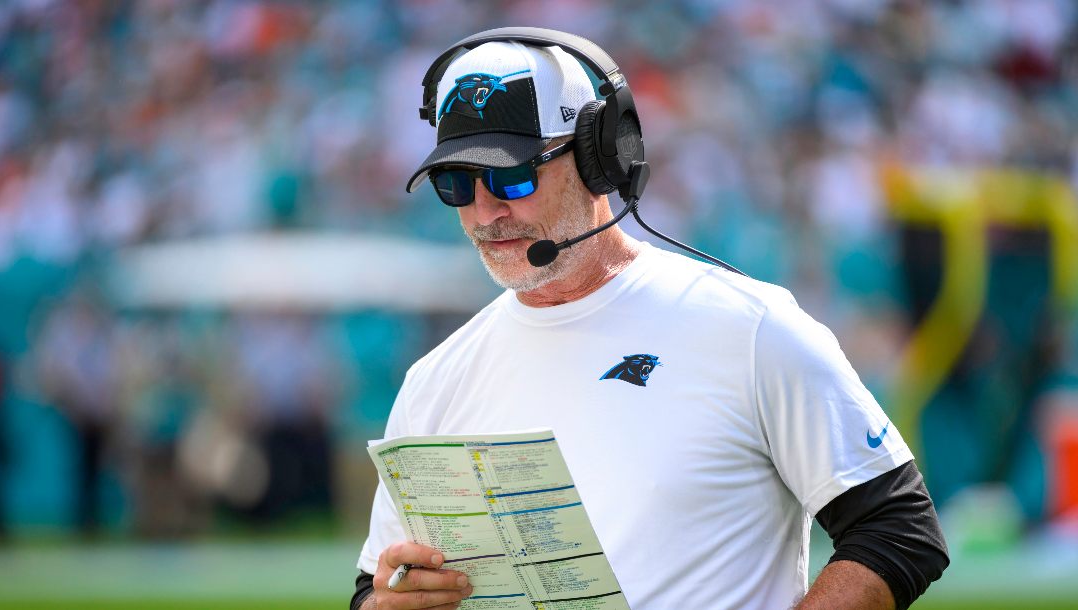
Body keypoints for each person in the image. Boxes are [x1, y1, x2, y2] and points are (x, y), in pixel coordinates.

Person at [351, 30, 948, 610]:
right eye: (455, 183)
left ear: (598, 157)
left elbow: (898, 530)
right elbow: (373, 589)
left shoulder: (751, 329)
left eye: (513, 175)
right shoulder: (434, 380)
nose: (486, 210)